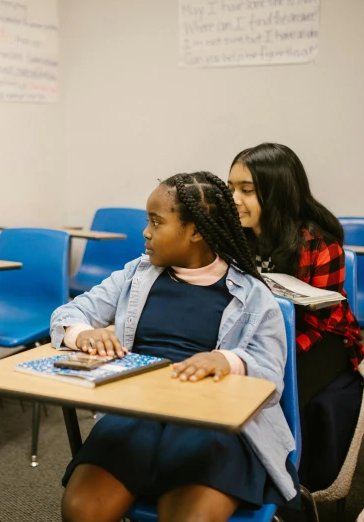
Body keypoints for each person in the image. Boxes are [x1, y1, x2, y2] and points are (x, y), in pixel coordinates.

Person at [52, 172, 299, 522]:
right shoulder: (135, 275)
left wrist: (228, 360)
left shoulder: (253, 296)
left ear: (196, 231)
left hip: (213, 424)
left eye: (156, 222)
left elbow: (271, 372)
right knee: (81, 511)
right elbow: (70, 311)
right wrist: (80, 333)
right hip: (137, 416)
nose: (146, 232)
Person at [228, 142, 364, 491]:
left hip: (322, 339)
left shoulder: (318, 243)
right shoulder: (234, 239)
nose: (233, 198)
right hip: (264, 337)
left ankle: (284, 487)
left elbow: (324, 321)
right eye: (230, 187)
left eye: (246, 190)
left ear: (276, 193)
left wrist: (276, 355)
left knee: (270, 397)